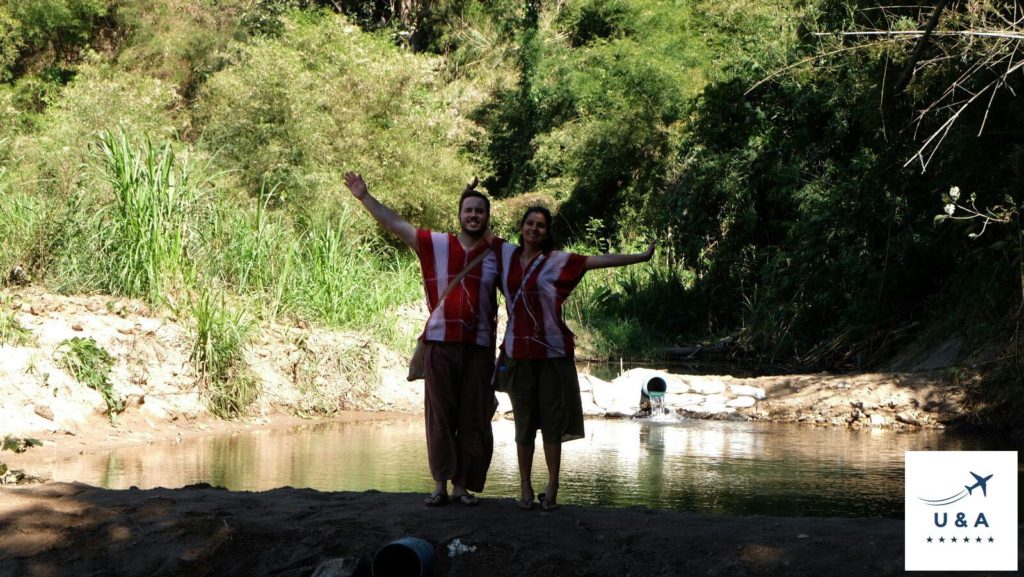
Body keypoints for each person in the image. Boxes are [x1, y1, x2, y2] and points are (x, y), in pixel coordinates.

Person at [344, 172, 498, 507]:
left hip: (479, 348)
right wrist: (364, 197)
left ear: (486, 218)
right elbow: (395, 224)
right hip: (440, 345)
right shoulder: (436, 245)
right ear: (459, 215)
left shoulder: (497, 253)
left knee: (474, 417)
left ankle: (462, 487)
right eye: (468, 210)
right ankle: (441, 486)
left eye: (479, 211)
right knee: (440, 416)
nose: (473, 215)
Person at [489, 207, 654, 511]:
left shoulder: (559, 261)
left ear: (547, 232)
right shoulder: (505, 255)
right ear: (521, 227)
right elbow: (476, 225)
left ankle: (552, 487)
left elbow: (598, 262)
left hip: (552, 354)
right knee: (523, 423)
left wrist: (641, 257)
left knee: (552, 422)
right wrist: (467, 193)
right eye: (529, 224)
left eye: (540, 225)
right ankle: (524, 487)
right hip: (518, 353)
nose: (534, 229)